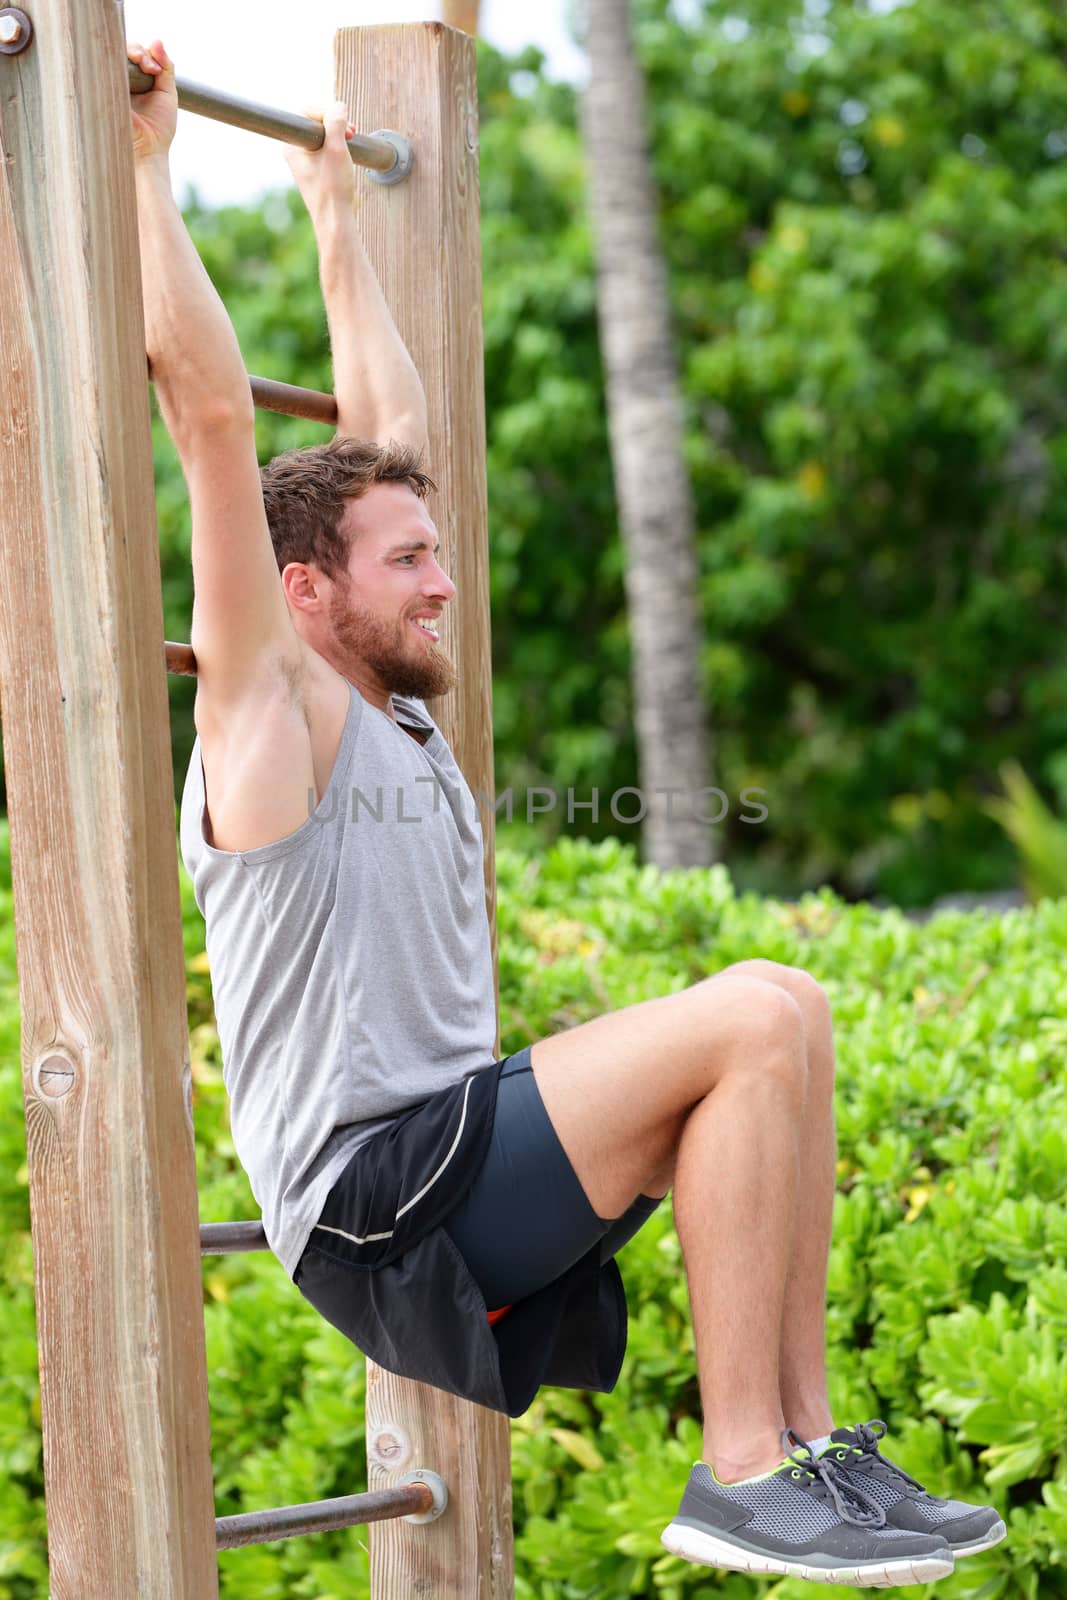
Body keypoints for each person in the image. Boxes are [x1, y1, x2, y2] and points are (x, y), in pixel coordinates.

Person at [130, 38, 1004, 1587]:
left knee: (785, 1012)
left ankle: (801, 1451)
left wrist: (335, 216)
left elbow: (394, 426)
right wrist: (142, 171)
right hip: (372, 1203)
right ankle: (741, 1467)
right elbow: (206, 418)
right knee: (747, 1014)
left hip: (440, 1154)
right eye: (408, 561)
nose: (442, 576)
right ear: (302, 593)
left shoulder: (394, 709)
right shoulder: (272, 712)